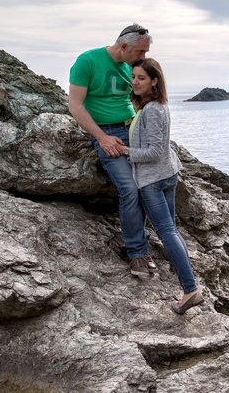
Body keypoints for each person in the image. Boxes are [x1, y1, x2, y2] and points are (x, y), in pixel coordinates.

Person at [68, 23, 157, 273]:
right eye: (140, 52)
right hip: (107, 133)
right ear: (123, 46)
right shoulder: (88, 61)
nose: (144, 58)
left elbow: (144, 96)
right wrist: (102, 138)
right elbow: (75, 106)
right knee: (129, 188)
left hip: (134, 129)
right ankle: (136, 253)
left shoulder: (135, 66)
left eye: (146, 52)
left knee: (149, 185)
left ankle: (146, 244)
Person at [121, 58, 204, 314]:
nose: (135, 82)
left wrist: (125, 151)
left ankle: (190, 290)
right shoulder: (154, 105)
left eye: (142, 78)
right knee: (172, 231)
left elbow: (155, 151)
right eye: (133, 77)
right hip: (166, 174)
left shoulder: (154, 110)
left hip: (154, 180)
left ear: (154, 81)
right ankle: (190, 288)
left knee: (167, 233)